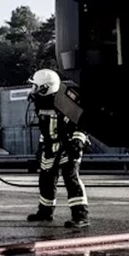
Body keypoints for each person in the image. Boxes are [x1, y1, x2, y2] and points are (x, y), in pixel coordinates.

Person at [25, 68, 90, 228]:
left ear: (45, 88)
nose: (32, 90)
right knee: (46, 179)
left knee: (71, 179)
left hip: (68, 146)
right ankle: (45, 212)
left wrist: (77, 142)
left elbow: (81, 125)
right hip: (50, 147)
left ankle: (81, 216)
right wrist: (40, 149)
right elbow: (45, 129)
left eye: (35, 86)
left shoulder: (66, 101)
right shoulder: (40, 101)